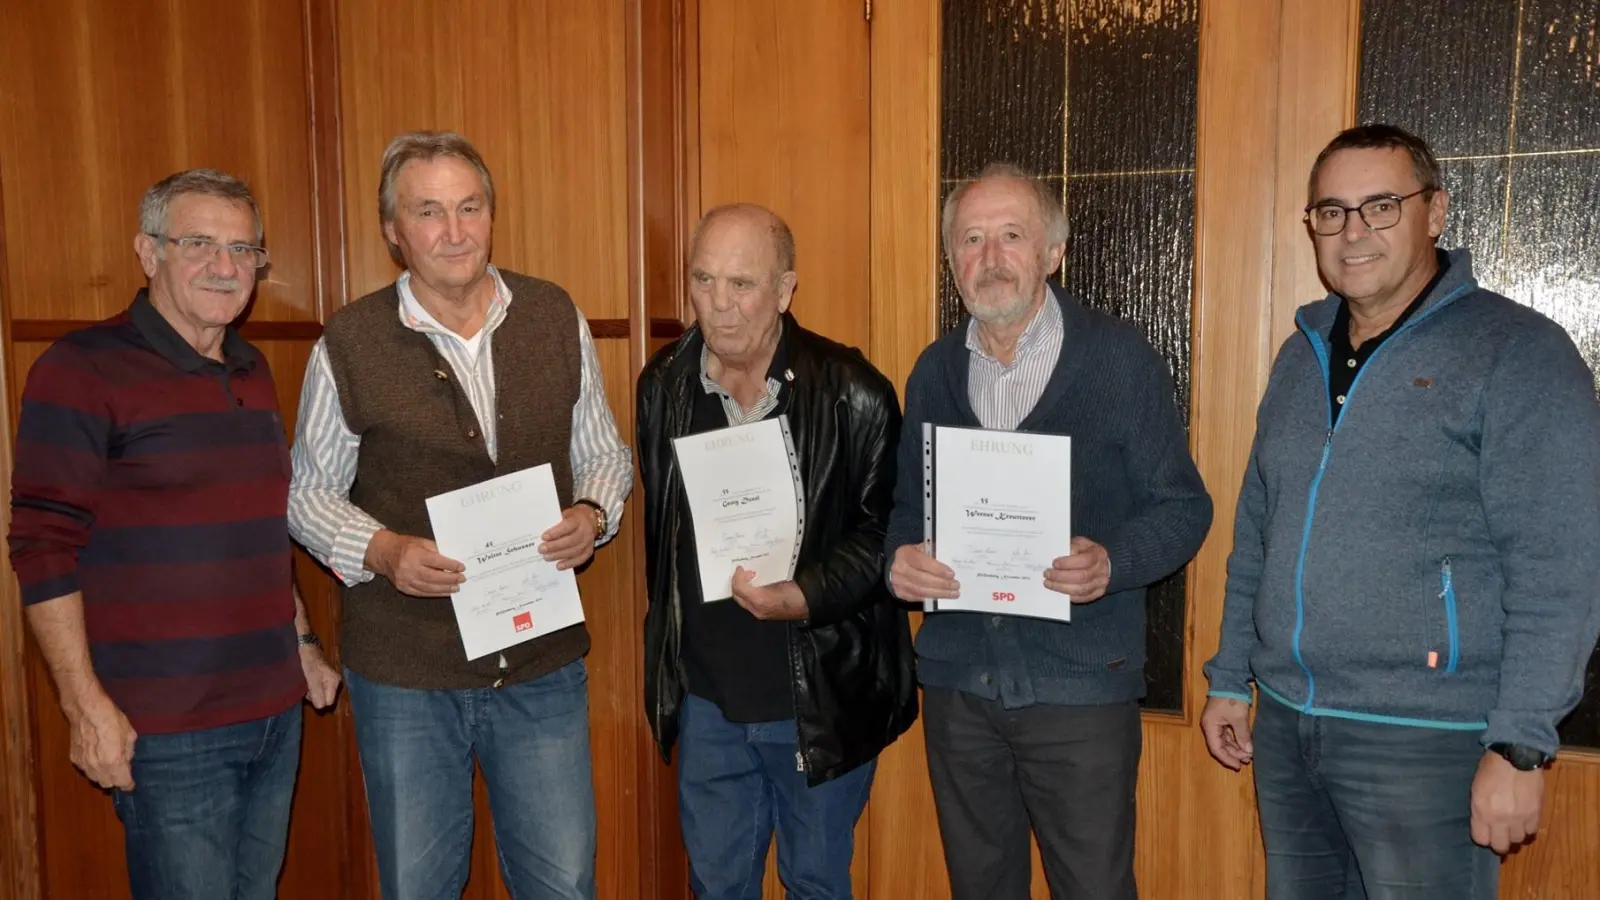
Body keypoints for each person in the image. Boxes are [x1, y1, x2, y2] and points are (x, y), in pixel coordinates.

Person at [1201, 123, 1600, 899]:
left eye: (1381, 206)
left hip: (1428, 738)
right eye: (1332, 212)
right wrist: (1228, 676)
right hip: (1288, 723)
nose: (1354, 232)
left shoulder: (1517, 352)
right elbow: (1258, 529)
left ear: (1436, 211)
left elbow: (1561, 565)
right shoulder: (1301, 353)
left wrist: (1520, 746)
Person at [287, 131, 632, 900]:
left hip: (539, 666)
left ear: (491, 215)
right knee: (419, 888)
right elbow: (305, 494)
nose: (453, 231)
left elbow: (606, 452)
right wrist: (382, 552)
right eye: (429, 211)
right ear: (393, 231)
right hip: (406, 677)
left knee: (564, 884)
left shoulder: (552, 314)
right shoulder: (349, 340)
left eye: (469, 207)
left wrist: (591, 510)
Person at [7, 168, 340, 900]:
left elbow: (255, 529)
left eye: (244, 249)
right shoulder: (80, 368)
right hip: (163, 729)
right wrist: (83, 704)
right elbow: (41, 543)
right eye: (199, 244)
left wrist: (304, 644)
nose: (225, 266)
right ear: (147, 251)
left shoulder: (252, 369)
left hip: (273, 716)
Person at [886, 163, 1213, 899]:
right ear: (952, 259)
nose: (990, 258)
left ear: (1053, 253)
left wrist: (1113, 562)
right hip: (960, 691)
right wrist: (899, 562)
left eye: (1011, 236)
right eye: (971, 239)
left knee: (1094, 888)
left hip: (1080, 693)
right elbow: (907, 512)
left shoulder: (1118, 360)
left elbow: (1183, 507)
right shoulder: (934, 372)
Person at [636, 203, 917, 900]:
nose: (720, 306)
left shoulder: (853, 392)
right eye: (703, 281)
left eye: (743, 284)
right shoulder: (663, 387)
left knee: (816, 884)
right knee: (715, 885)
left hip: (817, 699)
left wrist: (805, 594)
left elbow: (885, 538)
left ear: (786, 290)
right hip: (707, 700)